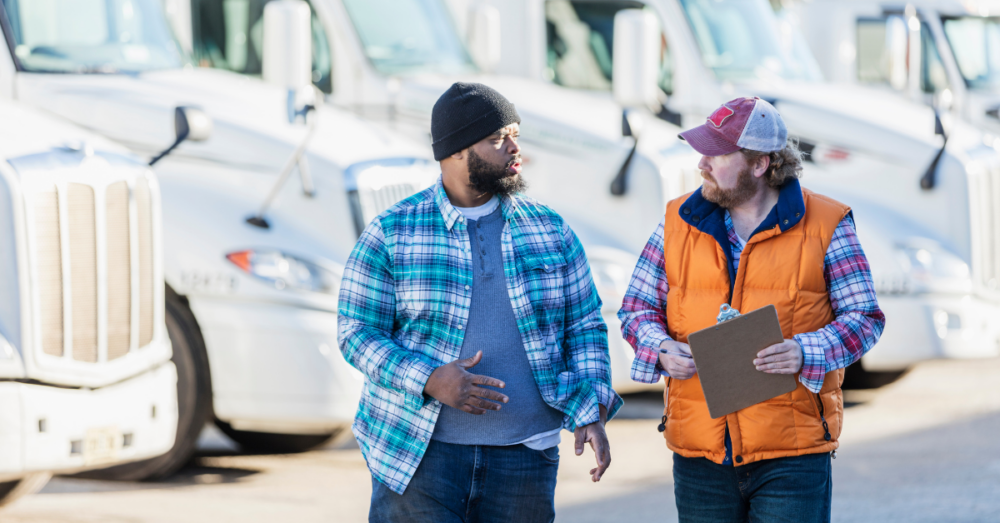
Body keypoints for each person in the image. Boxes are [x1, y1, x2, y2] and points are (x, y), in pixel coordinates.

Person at [338, 82, 623, 523]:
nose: (514, 148)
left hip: (525, 462)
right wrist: (430, 379)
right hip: (419, 457)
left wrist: (592, 409)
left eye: (514, 134)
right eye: (496, 139)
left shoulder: (550, 229)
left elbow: (584, 327)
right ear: (453, 151)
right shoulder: (393, 231)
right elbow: (356, 332)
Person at [618, 97, 885, 523]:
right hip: (699, 453)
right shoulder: (675, 222)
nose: (701, 163)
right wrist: (661, 348)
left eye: (717, 154)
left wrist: (805, 351)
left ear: (759, 165)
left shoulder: (827, 224)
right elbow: (636, 310)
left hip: (792, 456)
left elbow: (864, 318)